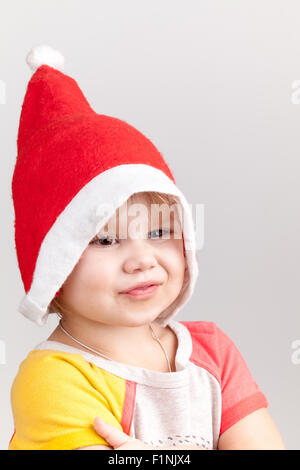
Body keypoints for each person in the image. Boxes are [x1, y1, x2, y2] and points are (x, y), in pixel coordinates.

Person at [9, 45, 285, 451]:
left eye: (158, 233)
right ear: (53, 262)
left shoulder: (212, 352)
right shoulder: (55, 379)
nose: (142, 260)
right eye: (105, 239)